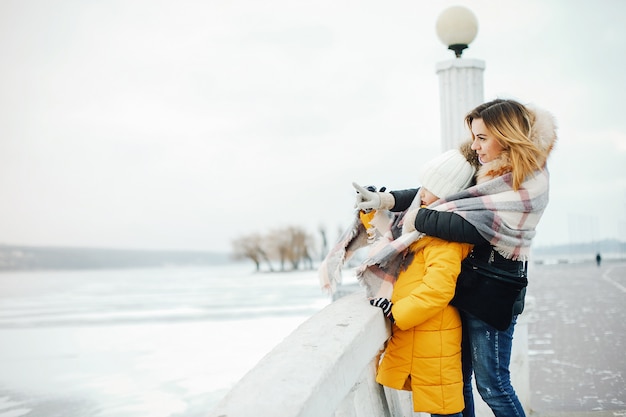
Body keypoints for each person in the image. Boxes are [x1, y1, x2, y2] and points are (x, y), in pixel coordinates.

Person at [356, 98, 557, 417]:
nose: (475, 146)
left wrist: (417, 218)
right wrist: (384, 200)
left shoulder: (527, 181)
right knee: (459, 382)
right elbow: (435, 192)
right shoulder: (479, 166)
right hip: (465, 289)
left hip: (494, 296)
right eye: (474, 137)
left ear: (505, 135)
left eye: (482, 137)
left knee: (494, 385)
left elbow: (468, 227)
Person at [367, 147, 477, 417]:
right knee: (444, 407)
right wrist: (370, 210)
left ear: (446, 194)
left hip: (434, 336)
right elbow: (392, 231)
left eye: (428, 188)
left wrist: (397, 312)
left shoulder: (444, 236)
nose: (421, 194)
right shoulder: (426, 227)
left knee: (445, 410)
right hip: (428, 333)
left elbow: (438, 290)